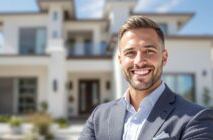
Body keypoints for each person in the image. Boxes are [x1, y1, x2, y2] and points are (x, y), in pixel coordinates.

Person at [79, 16, 213, 140]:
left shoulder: (196, 118)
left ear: (164, 58)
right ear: (120, 60)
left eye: (149, 51)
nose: (139, 61)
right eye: (130, 53)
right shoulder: (99, 116)